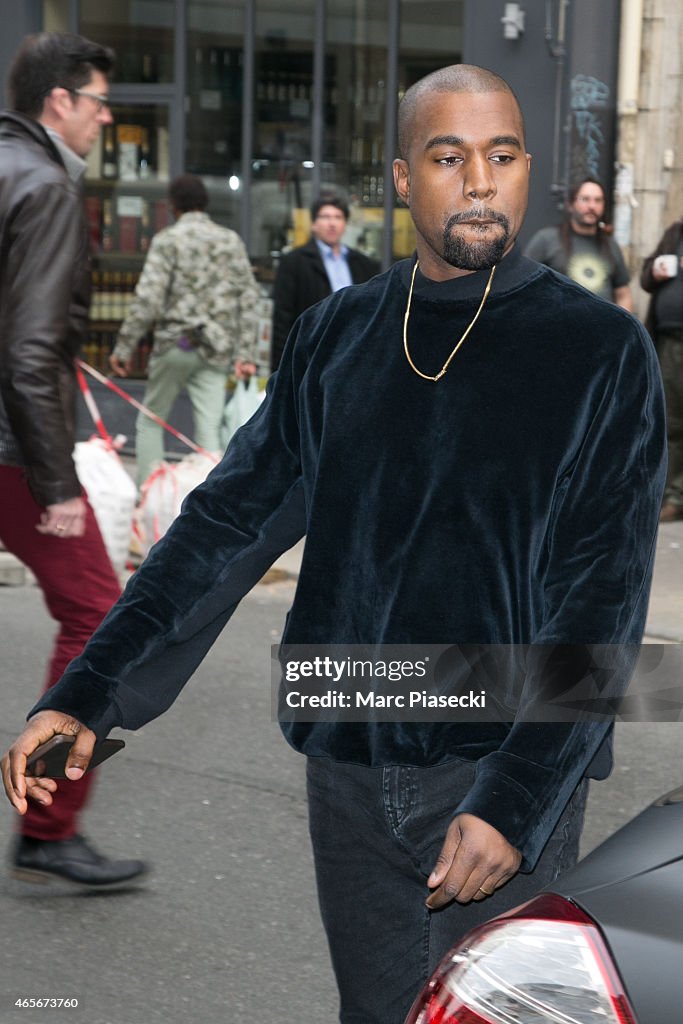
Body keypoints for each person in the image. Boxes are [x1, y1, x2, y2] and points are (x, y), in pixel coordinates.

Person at [2, 65, 665, 1023]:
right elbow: (222, 527)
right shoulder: (333, 336)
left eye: (503, 155)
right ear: (401, 179)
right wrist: (90, 691)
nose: (480, 180)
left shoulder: (599, 351)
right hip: (346, 755)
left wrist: (515, 801)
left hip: (495, 768)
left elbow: (604, 598)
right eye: (449, 156)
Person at [0, 32, 146, 887]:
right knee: (100, 617)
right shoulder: (48, 187)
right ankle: (49, 827)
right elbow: (26, 354)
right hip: (16, 450)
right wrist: (57, 485)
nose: (104, 116)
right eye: (97, 100)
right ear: (60, 101)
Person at [109, 173, 260, 487]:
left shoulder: (168, 240)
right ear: (204, 203)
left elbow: (148, 297)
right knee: (209, 431)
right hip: (215, 347)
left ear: (173, 205)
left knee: (152, 420)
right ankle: (207, 504)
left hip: (174, 343)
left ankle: (150, 494)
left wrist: (124, 347)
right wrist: (246, 353)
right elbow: (248, 297)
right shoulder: (230, 240)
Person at [270, 195, 379, 371]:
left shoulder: (362, 264)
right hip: (312, 353)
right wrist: (281, 369)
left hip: (355, 353)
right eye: (325, 217)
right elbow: (282, 318)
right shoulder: (295, 262)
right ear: (314, 224)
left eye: (338, 217)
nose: (332, 223)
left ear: (345, 224)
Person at [524, 177, 633, 310]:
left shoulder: (611, 246)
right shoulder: (546, 239)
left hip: (602, 327)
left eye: (598, 200)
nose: (592, 206)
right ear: (571, 204)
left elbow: (623, 294)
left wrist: (621, 324)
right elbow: (523, 283)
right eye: (585, 199)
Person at [640, 219, 683, 522]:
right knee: (670, 421)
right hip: (669, 341)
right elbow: (645, 279)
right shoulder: (674, 233)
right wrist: (654, 271)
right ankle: (669, 493)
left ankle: (678, 495)